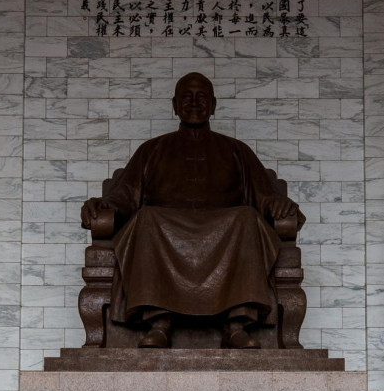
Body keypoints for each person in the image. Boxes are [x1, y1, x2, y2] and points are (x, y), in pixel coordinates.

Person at [80, 71, 305, 349]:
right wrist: (104, 205)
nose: (195, 103)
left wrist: (279, 204)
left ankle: (236, 324)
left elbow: (264, 196)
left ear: (214, 104)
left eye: (202, 97)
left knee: (247, 217)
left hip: (226, 230)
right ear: (174, 105)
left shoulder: (236, 150)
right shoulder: (152, 150)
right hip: (164, 228)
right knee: (146, 217)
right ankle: (159, 321)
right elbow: (126, 196)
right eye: (187, 97)